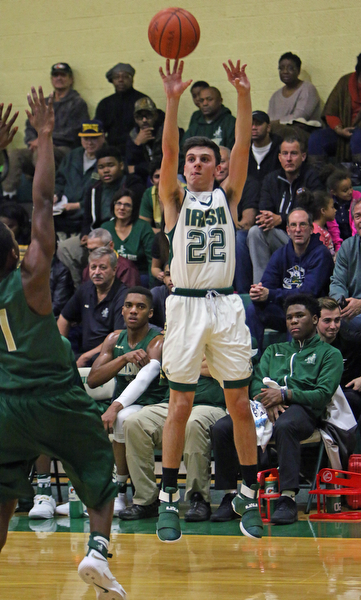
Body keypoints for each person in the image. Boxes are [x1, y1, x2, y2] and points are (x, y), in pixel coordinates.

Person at [0, 91, 125, 598]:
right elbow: (42, 202)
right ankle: (97, 550)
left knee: (2, 491)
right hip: (53, 395)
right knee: (98, 469)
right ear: (14, 249)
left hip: (4, 404)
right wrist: (46, 138)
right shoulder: (30, 276)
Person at [156, 58, 262, 542]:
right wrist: (174, 97)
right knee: (179, 405)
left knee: (239, 403)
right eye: (190, 160)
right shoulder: (173, 200)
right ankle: (169, 499)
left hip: (226, 306)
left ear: (216, 169)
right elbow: (169, 150)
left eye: (205, 160)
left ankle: (248, 494)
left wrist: (242, 93)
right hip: (186, 306)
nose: (195, 164)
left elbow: (241, 144)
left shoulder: (228, 195)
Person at [251, 293, 343, 525]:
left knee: (286, 424)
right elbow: (255, 382)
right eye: (289, 317)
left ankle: (288, 498)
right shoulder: (274, 350)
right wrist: (268, 400)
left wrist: (284, 394)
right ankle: (234, 494)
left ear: (314, 319)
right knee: (223, 426)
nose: (293, 321)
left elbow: (322, 395)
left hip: (305, 411)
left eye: (299, 316)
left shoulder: (329, 354)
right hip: (267, 407)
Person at [118, 358, 227, 522]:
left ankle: (199, 499)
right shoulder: (179, 338)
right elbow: (172, 369)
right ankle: (146, 500)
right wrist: (204, 365)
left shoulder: (225, 336)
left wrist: (191, 364)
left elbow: (228, 369)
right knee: (135, 423)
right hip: (172, 404)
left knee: (194, 423)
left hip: (211, 405)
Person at [88, 287, 164, 515]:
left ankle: (120, 490)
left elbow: (144, 379)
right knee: (87, 421)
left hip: (152, 404)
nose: (133, 311)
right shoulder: (113, 339)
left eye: (140, 307)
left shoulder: (157, 341)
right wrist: (123, 358)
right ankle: (97, 492)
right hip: (123, 403)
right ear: (122, 310)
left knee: (122, 418)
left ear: (150, 313)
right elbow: (93, 380)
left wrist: (114, 406)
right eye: (129, 306)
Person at [246, 208, 334, 353]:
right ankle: (254, 360)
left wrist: (271, 294)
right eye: (293, 225)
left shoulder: (321, 254)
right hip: (285, 310)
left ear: (311, 229)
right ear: (287, 230)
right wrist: (258, 293)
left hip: (311, 313)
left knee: (296, 316)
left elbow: (308, 294)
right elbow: (267, 285)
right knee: (253, 310)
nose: (298, 230)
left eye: (303, 225)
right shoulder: (280, 254)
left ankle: (291, 367)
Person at [2, 63, 89, 197]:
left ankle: (46, 198)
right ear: (51, 79)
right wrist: (33, 140)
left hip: (63, 150)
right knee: (15, 153)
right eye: (55, 75)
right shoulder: (44, 102)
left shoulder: (78, 103)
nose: (59, 78)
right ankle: (8, 196)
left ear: (71, 79)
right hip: (39, 147)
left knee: (42, 153)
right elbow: (30, 125)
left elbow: (75, 132)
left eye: (63, 75)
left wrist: (45, 139)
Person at [247, 134, 323, 284]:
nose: (289, 159)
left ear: (303, 156)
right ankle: (261, 287)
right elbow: (264, 209)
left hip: (303, 237)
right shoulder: (271, 179)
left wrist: (280, 218)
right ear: (279, 157)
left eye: (294, 154)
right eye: (285, 154)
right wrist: (267, 219)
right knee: (253, 232)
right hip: (279, 235)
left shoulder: (312, 178)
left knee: (256, 233)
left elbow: (312, 212)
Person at [57, 246, 127, 367]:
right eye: (93, 267)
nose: (97, 272)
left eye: (103, 267)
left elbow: (119, 335)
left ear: (114, 270)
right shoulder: (85, 289)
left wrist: (86, 356)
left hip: (109, 356)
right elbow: (64, 318)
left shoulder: (123, 295)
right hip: (85, 354)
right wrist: (60, 349)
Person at [52, 119, 106, 234]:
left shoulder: (108, 158)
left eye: (94, 138)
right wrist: (56, 194)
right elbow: (60, 179)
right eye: (86, 139)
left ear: (103, 137)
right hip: (63, 212)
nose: (89, 143)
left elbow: (106, 193)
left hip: (89, 216)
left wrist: (78, 205)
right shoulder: (73, 155)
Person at [308, 54, 361, 165]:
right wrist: (339, 129)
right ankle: (318, 178)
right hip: (341, 130)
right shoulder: (345, 82)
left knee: (358, 137)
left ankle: (357, 177)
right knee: (316, 139)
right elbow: (331, 112)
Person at [317, 296, 361, 422]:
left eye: (337, 320)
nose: (333, 326)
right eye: (327, 321)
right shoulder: (304, 342)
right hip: (315, 393)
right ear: (315, 320)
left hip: (345, 392)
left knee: (352, 400)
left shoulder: (352, 340)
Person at [101, 189, 154, 287]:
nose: (122, 208)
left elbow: (152, 260)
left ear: (134, 208)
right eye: (119, 203)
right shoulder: (105, 227)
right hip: (112, 276)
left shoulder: (143, 227)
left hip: (139, 277)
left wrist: (152, 288)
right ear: (113, 206)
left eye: (127, 205)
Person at [95, 62, 146, 156]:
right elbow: (99, 129)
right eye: (116, 77)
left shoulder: (142, 101)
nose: (120, 80)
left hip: (137, 147)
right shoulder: (105, 103)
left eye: (125, 77)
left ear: (132, 79)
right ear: (112, 80)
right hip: (110, 149)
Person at [268, 52, 321, 137]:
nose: (285, 71)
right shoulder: (275, 96)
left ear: (298, 70)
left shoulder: (307, 89)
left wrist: (276, 123)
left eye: (290, 68)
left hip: (305, 133)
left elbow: (300, 118)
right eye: (281, 68)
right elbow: (269, 121)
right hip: (278, 132)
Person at [330, 197, 361, 334]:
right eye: (358, 216)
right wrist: (341, 303)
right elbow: (337, 282)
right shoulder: (347, 246)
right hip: (351, 312)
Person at [125, 97, 164, 184]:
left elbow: (163, 162)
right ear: (135, 119)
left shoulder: (166, 131)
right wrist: (137, 144)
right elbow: (128, 165)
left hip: (163, 174)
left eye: (148, 116)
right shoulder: (133, 135)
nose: (144, 120)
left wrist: (137, 168)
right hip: (142, 176)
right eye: (140, 117)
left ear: (156, 116)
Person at [248, 110, 282, 182]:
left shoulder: (281, 149)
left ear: (268, 127)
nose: (253, 127)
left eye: (258, 124)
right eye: (251, 124)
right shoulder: (243, 150)